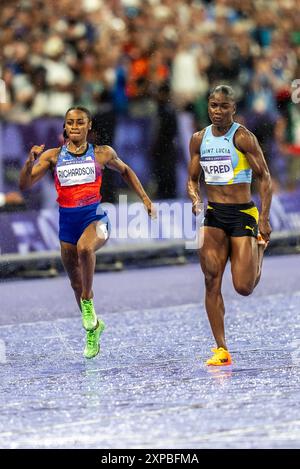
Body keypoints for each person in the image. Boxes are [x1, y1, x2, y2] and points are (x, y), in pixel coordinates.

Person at [19, 106, 155, 359]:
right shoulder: (52, 156)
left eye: (80, 122)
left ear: (88, 126)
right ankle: (93, 330)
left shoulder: (102, 154)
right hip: (67, 224)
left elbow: (125, 171)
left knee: (85, 248)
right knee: (74, 283)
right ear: (65, 127)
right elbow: (25, 184)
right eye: (70, 123)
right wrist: (29, 163)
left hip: (96, 219)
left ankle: (89, 300)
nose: (74, 127)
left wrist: (145, 200)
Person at [187, 85, 272, 366]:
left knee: (243, 287)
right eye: (213, 105)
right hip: (214, 215)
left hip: (243, 214)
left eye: (224, 106)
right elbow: (192, 177)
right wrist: (195, 195)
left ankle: (260, 247)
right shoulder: (199, 139)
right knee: (211, 280)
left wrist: (264, 218)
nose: (217, 112)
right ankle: (221, 348)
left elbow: (265, 178)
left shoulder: (243, 138)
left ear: (234, 109)